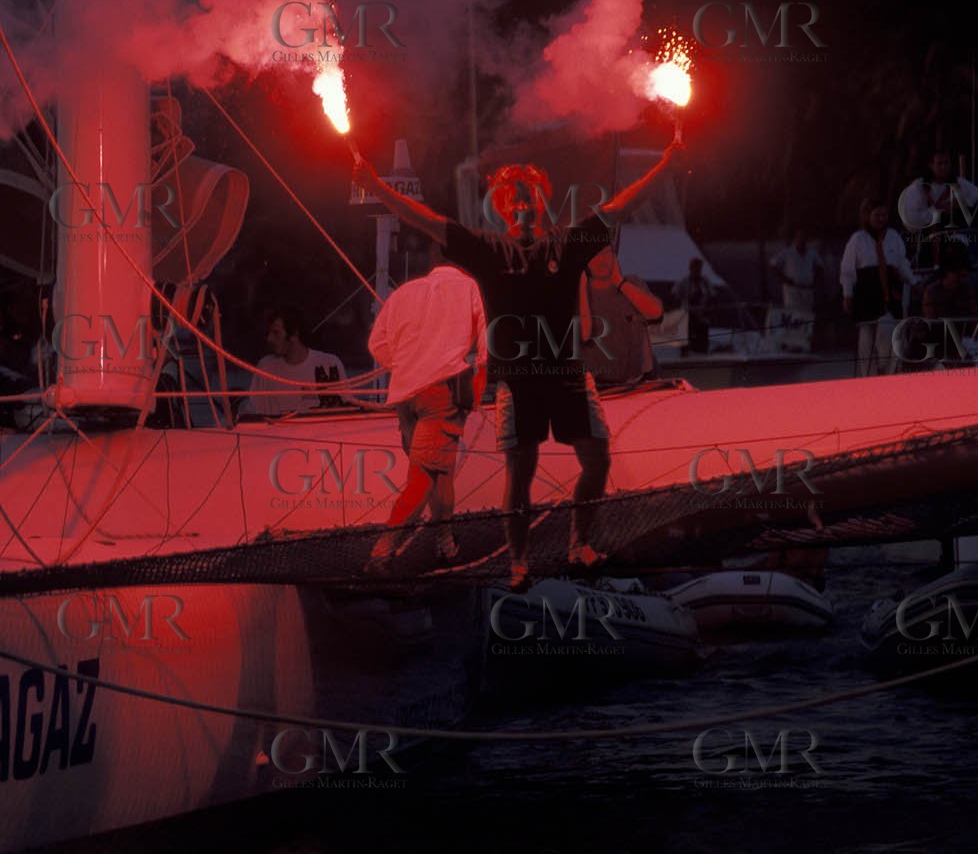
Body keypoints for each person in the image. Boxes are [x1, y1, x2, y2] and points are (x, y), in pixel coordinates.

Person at [352, 135, 685, 589]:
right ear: (503, 207)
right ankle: (519, 563)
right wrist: (376, 185)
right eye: (512, 193)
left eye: (529, 189)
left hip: (567, 374)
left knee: (597, 458)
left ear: (544, 199)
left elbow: (622, 206)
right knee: (520, 473)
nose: (521, 197)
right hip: (518, 380)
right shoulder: (489, 249)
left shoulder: (567, 243)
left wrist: (666, 163)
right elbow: (426, 220)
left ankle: (579, 544)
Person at [367, 251, 487, 565]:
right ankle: (382, 553)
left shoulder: (403, 293)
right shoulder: (468, 286)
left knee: (440, 471)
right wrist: (479, 383)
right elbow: (486, 342)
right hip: (440, 393)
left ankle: (445, 544)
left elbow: (375, 344)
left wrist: (407, 366)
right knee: (423, 477)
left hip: (406, 397)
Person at [839, 199, 915, 377]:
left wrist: (914, 282)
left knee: (888, 333)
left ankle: (887, 373)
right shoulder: (858, 239)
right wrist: (847, 295)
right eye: (877, 215)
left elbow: (902, 264)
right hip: (866, 297)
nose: (881, 219)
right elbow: (847, 270)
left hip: (890, 297)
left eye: (884, 215)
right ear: (867, 216)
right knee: (865, 340)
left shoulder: (894, 237)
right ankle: (867, 379)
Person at [578, 245, 663, 386]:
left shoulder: (633, 283)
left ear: (615, 257)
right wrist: (580, 285)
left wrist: (620, 282)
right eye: (595, 255)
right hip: (596, 388)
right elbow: (582, 334)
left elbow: (656, 313)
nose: (601, 260)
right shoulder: (579, 294)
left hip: (637, 384)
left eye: (607, 253)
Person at [239, 309, 348, 417]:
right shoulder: (265, 367)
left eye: (276, 333)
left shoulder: (330, 363)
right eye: (268, 333)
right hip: (275, 432)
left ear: (294, 334)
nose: (269, 339)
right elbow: (251, 412)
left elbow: (348, 410)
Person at [898, 150, 978, 244]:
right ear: (931, 165)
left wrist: (960, 204)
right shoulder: (918, 188)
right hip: (926, 240)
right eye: (939, 163)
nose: (944, 167)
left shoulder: (960, 184)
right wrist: (939, 210)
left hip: (957, 239)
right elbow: (910, 220)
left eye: (946, 163)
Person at [769, 228, 823, 348]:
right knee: (792, 314)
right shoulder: (787, 252)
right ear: (795, 239)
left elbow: (820, 266)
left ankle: (805, 342)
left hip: (807, 288)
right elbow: (772, 264)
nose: (802, 240)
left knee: (807, 315)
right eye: (799, 238)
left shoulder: (811, 253)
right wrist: (784, 279)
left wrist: (815, 280)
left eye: (804, 238)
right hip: (792, 289)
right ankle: (790, 343)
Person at [673, 256, 714, 353]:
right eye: (695, 267)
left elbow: (712, 296)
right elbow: (675, 296)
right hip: (688, 315)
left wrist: (709, 310)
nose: (697, 269)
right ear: (691, 268)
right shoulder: (683, 282)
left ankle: (703, 353)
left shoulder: (705, 282)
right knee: (687, 336)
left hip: (702, 315)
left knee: (703, 336)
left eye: (699, 267)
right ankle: (685, 354)